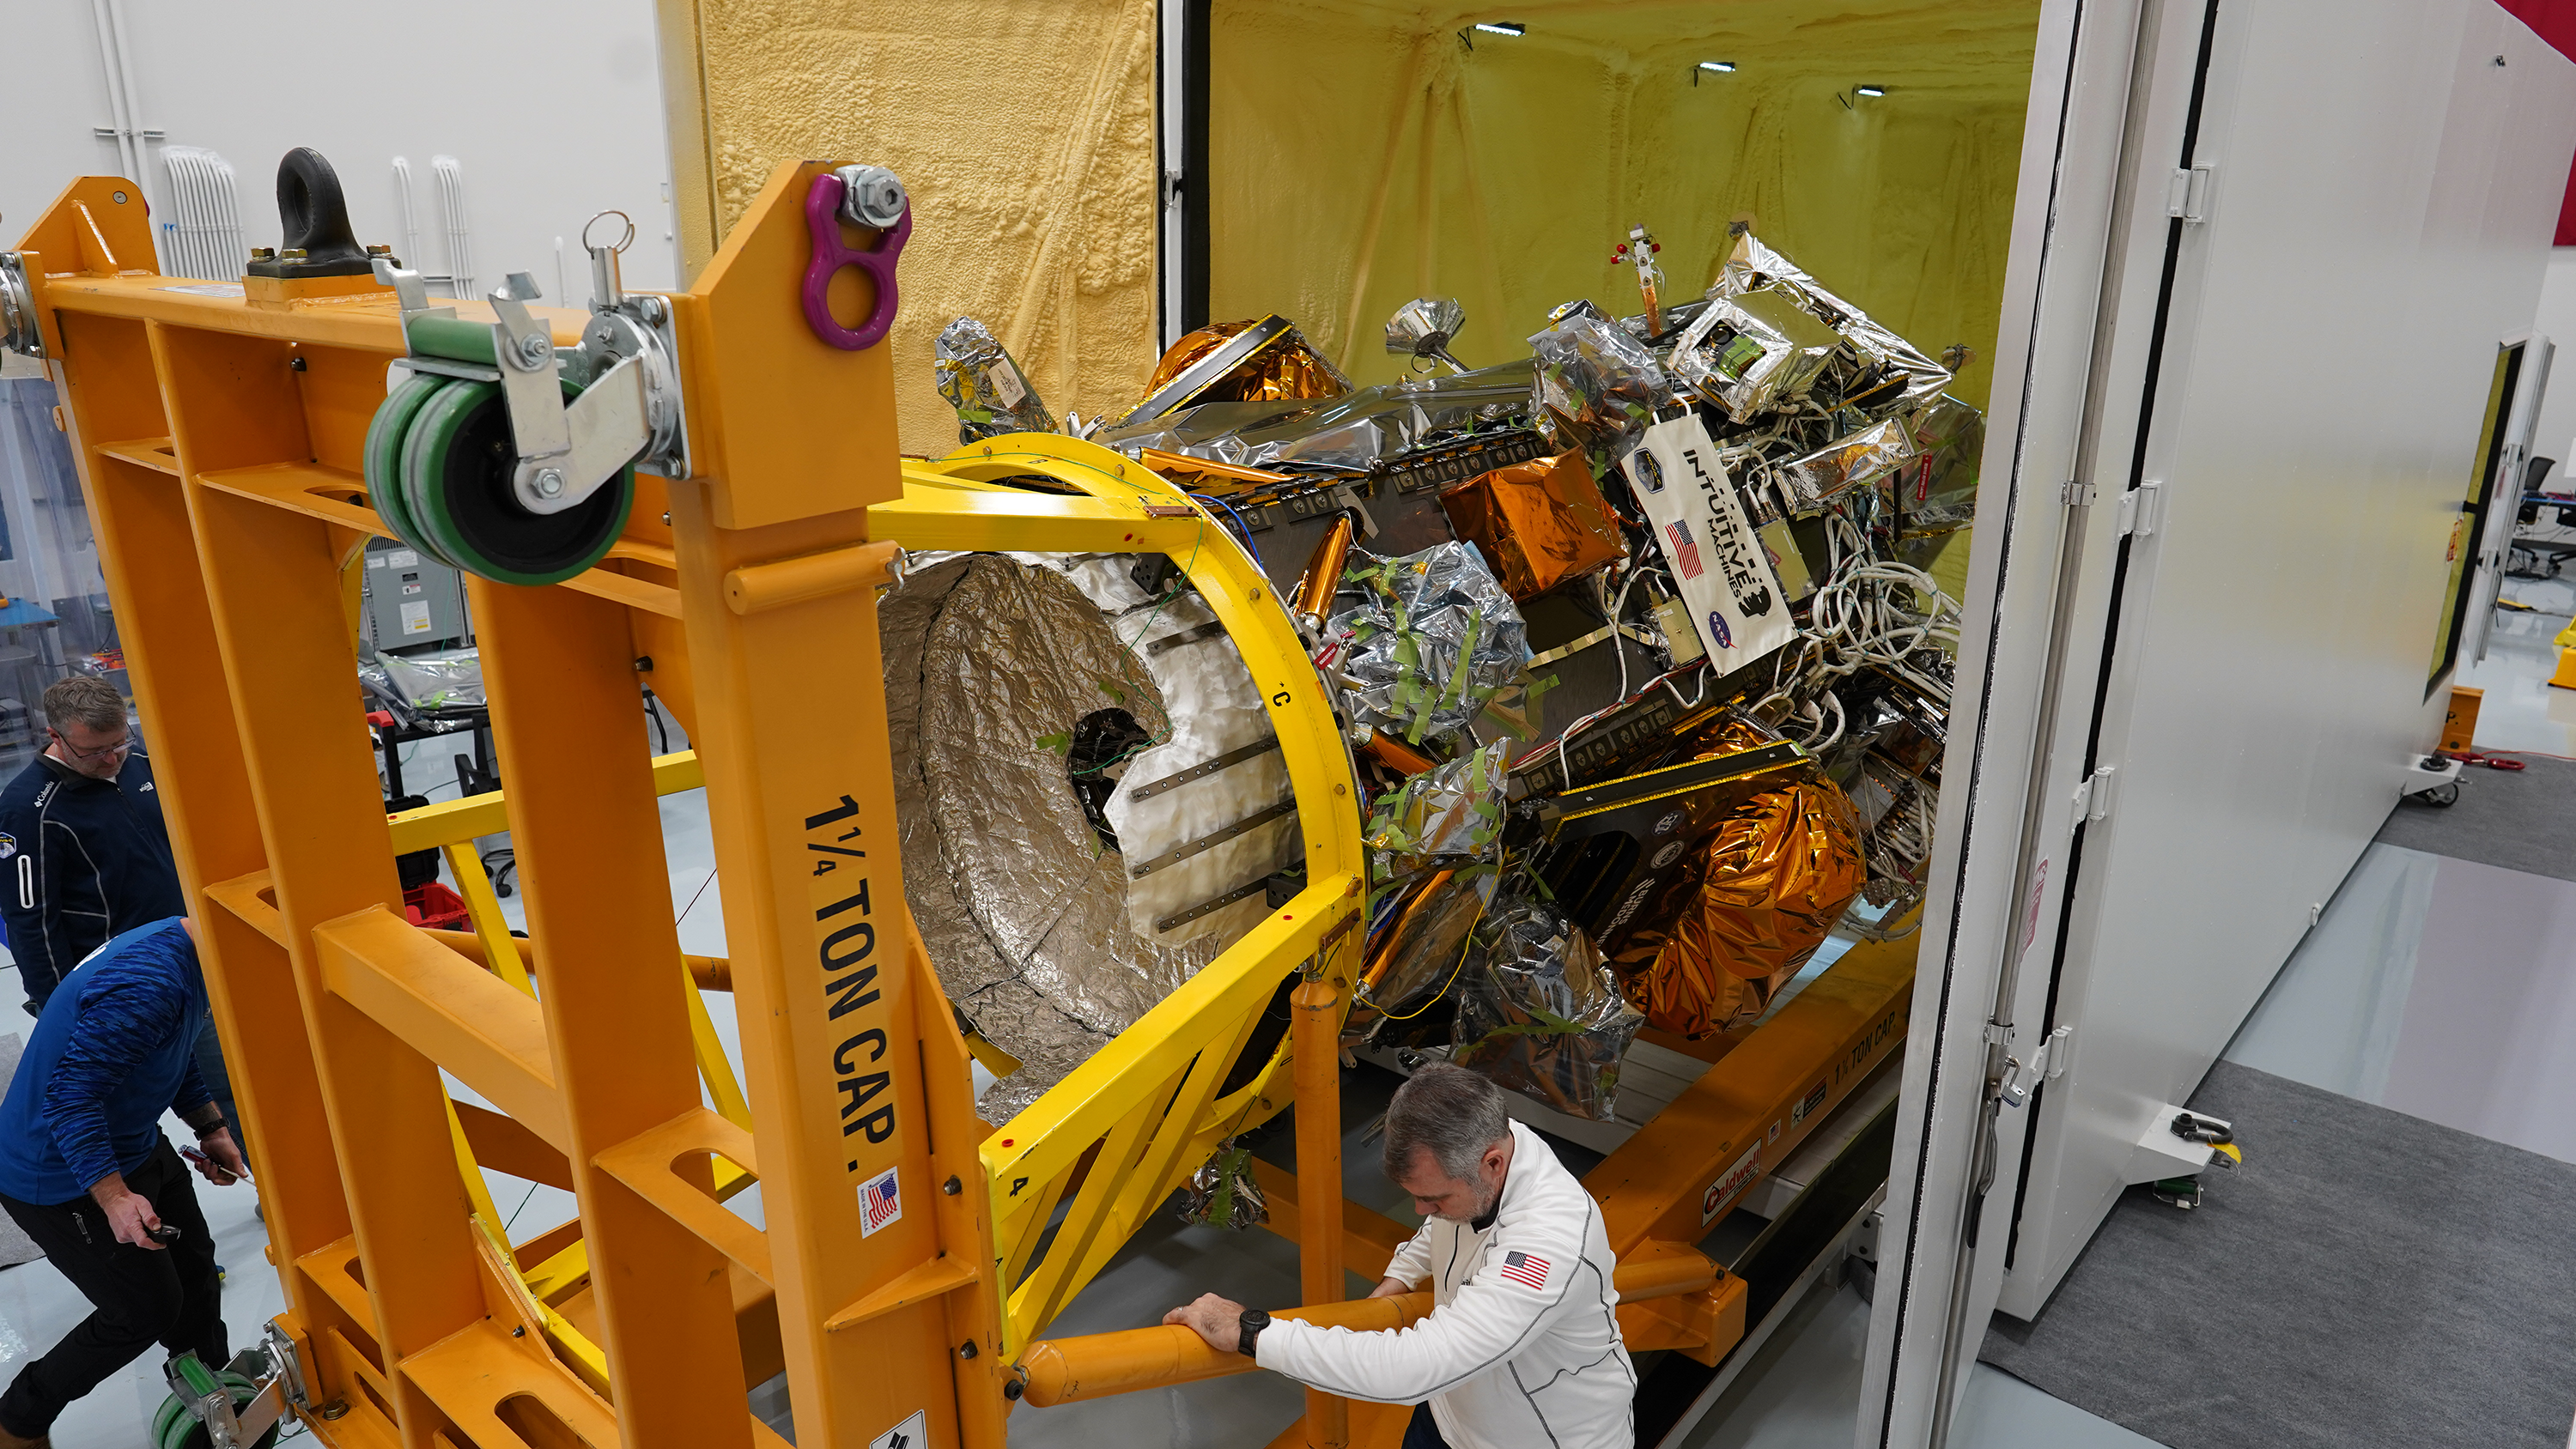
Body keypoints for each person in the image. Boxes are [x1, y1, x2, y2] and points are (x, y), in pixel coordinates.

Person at [1166, 1064, 1634, 1449]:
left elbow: (1414, 1366)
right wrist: (1403, 1273)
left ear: (1492, 1163)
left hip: (1538, 1437)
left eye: (1435, 1197)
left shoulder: (1548, 1243)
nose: (1422, 1212)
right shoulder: (1496, 1144)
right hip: (1450, 1415)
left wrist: (1253, 1333)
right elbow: (1443, 1222)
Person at [0, 915, 249, 1448]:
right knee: (143, 1310)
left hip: (133, 1141)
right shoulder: (151, 982)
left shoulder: (192, 949)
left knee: (197, 1275)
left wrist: (211, 1126)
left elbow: (169, 1049)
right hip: (58, 1169)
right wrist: (113, 1196)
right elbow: (69, 1101)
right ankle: (18, 1418)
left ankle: (215, 1403)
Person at [0, 677, 246, 1165]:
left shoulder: (142, 768)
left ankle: (275, 1187)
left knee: (241, 1084)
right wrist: (56, 1005)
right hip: (130, 985)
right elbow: (30, 920)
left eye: (120, 742)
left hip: (200, 957)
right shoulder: (28, 810)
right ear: (55, 736)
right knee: (183, 1093)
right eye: (96, 752)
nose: (113, 759)